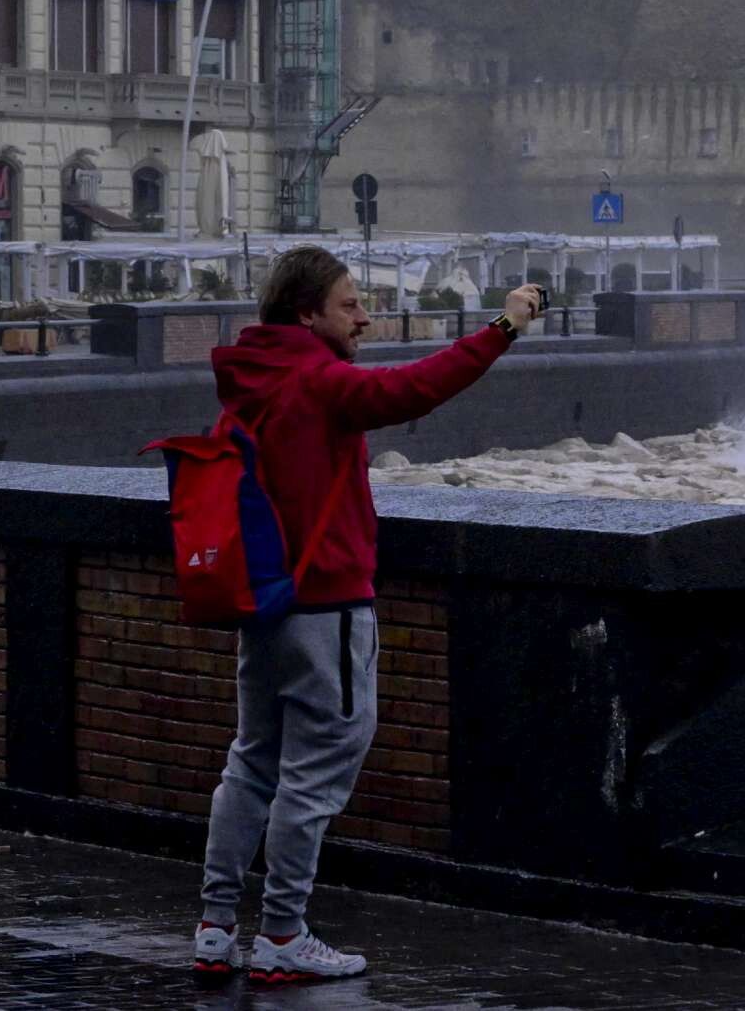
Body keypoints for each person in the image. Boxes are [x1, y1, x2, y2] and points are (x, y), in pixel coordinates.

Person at [191, 247, 544, 986]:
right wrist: (503, 328)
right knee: (315, 774)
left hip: (266, 601)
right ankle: (283, 932)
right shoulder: (319, 380)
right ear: (307, 312)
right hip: (328, 607)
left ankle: (216, 926)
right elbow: (414, 388)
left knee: (251, 762)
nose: (366, 317)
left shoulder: (253, 374)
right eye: (351, 304)